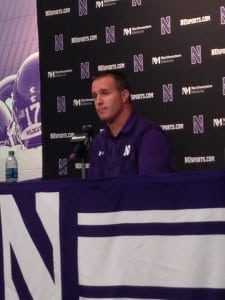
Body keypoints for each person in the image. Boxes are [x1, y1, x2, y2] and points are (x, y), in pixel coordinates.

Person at [88, 70, 174, 179]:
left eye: (105, 93)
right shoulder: (99, 142)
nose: (98, 101)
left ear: (124, 96)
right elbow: (92, 191)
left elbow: (153, 191)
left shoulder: (149, 136)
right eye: (95, 96)